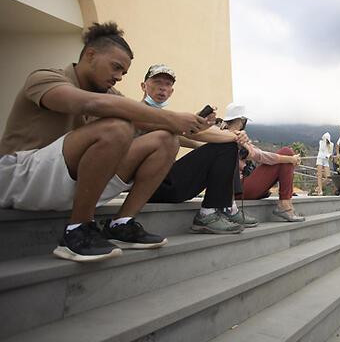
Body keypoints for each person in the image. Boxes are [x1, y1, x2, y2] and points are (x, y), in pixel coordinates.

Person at [0, 22, 208, 262]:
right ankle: (77, 229)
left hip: (68, 180)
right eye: (116, 67)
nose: (119, 77)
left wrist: (218, 134)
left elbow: (160, 125)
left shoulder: (110, 96)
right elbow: (90, 104)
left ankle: (121, 223)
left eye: (124, 73)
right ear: (91, 54)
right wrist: (171, 117)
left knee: (166, 140)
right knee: (118, 126)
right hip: (18, 178)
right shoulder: (44, 78)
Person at [141, 68, 257, 234]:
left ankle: (226, 207)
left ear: (172, 91)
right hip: (151, 186)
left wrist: (228, 138)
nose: (162, 88)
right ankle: (210, 212)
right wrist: (233, 137)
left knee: (224, 149)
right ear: (143, 86)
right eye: (157, 83)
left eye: (167, 85)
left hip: (168, 183)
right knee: (226, 146)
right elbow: (195, 134)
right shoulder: (139, 112)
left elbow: (196, 140)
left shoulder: (166, 119)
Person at [230, 106, 305, 222]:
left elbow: (259, 154)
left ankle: (287, 204)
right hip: (239, 188)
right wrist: (290, 159)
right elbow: (259, 156)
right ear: (241, 121)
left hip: (242, 187)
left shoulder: (233, 135)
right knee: (286, 153)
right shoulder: (233, 136)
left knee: (286, 156)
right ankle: (285, 205)